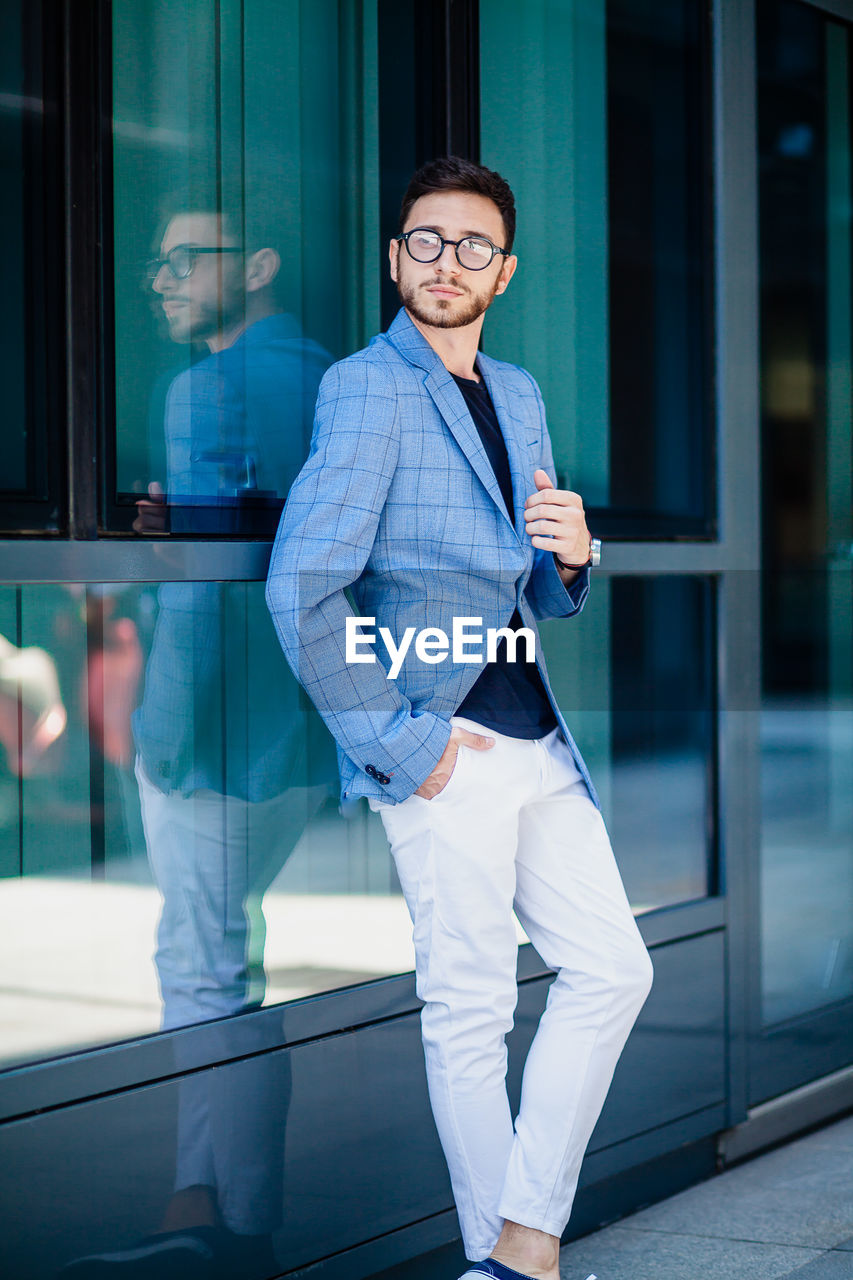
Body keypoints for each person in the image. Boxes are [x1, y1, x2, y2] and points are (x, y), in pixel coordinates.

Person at [266, 156, 653, 1280]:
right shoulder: (366, 385)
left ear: (506, 269)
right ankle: (513, 1256)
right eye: (425, 243)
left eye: (471, 246)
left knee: (613, 968)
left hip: (537, 735)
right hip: (447, 741)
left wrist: (576, 555)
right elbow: (304, 583)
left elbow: (530, 579)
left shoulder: (520, 391)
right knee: (470, 1003)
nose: (447, 263)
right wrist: (401, 744)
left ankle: (519, 1236)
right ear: (396, 259)